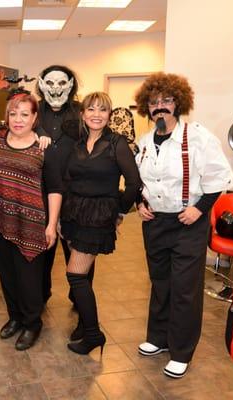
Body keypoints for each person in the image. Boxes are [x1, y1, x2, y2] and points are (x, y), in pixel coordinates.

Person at [134, 72, 233, 378]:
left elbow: (219, 179)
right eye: (154, 102)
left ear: (178, 103)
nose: (160, 107)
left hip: (187, 221)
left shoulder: (198, 137)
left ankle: (181, 351)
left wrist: (199, 210)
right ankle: (158, 338)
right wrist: (140, 204)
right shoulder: (143, 141)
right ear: (147, 108)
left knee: (184, 288)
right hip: (155, 223)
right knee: (161, 282)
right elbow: (141, 182)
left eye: (166, 100)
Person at [61, 92, 141, 355]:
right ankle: (85, 326)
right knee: (83, 275)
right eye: (91, 109)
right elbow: (69, 180)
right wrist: (62, 216)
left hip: (97, 217)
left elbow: (133, 183)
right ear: (83, 114)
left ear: (109, 115)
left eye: (102, 110)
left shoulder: (117, 143)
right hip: (74, 214)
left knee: (75, 274)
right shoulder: (78, 143)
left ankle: (94, 334)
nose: (96, 114)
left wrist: (118, 211)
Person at [0, 93, 63, 351]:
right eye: (14, 113)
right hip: (1, 218)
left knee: (29, 278)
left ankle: (32, 323)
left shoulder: (43, 147)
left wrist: (51, 225)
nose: (18, 120)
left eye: (25, 114)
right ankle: (15, 317)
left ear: (34, 118)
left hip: (32, 222)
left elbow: (54, 188)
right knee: (7, 275)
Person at [35, 65, 93, 322]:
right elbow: (17, 124)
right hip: (41, 193)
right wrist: (39, 132)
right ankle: (40, 294)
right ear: (41, 83)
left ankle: (80, 298)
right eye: (50, 83)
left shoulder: (82, 113)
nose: (56, 89)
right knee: (42, 251)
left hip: (75, 194)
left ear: (70, 85)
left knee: (77, 251)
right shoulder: (33, 110)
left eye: (62, 83)